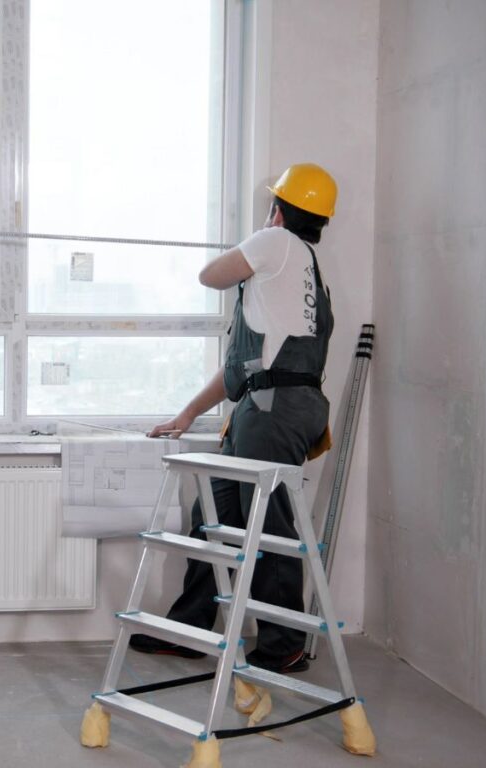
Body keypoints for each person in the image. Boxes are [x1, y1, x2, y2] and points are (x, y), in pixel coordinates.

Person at [131, 163, 337, 674]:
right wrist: (187, 414)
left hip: (274, 412)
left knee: (268, 524)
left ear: (278, 210)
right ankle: (193, 629)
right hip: (270, 406)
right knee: (215, 512)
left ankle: (284, 644)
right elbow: (245, 369)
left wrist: (255, 238)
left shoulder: (275, 243)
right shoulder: (299, 273)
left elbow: (210, 276)